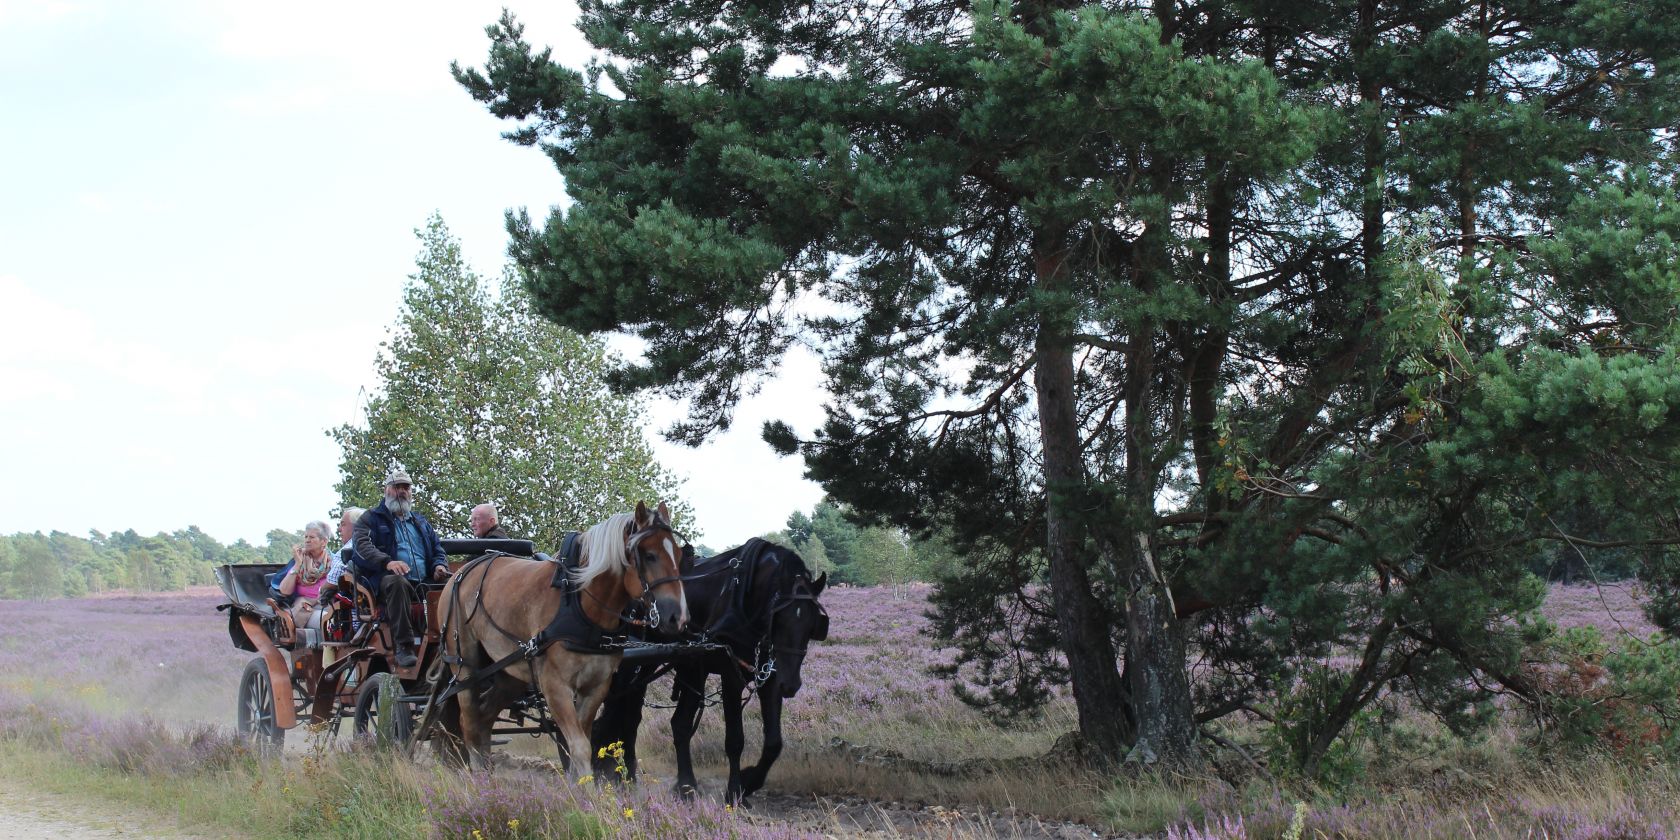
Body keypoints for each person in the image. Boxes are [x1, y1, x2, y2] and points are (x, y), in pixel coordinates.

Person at [352, 468, 448, 668]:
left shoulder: (421, 522)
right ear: (387, 490)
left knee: (455, 583)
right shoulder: (371, 518)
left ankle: (455, 641)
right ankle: (403, 647)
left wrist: (439, 565)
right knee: (397, 582)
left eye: (406, 487)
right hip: (385, 581)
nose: (402, 491)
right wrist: (387, 562)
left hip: (424, 581)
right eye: (397, 487)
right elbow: (362, 547)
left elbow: (438, 549)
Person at [275, 520, 343, 648]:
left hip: (328, 604)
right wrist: (298, 564)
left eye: (311, 537)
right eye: (306, 537)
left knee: (341, 619)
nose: (307, 540)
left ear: (324, 541)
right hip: (306, 608)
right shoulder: (300, 560)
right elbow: (284, 590)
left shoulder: (334, 562)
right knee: (329, 621)